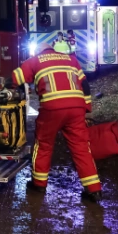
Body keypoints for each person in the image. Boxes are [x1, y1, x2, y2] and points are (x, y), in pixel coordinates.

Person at [8, 40, 102, 202]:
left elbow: (16, 77)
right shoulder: (71, 59)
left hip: (52, 109)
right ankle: (94, 190)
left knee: (44, 144)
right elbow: (85, 85)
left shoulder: (36, 60)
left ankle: (39, 184)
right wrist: (87, 109)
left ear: (39, 51)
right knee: (81, 147)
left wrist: (8, 85)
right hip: (76, 108)